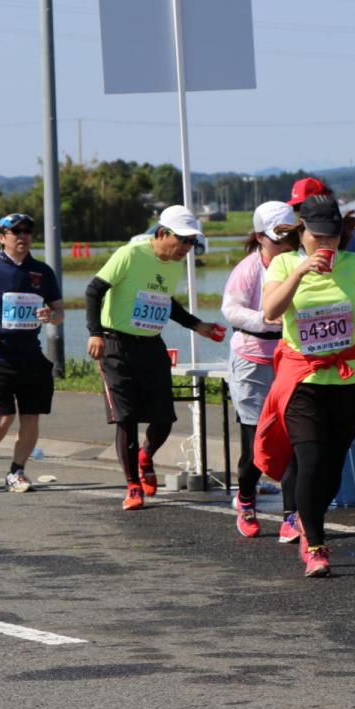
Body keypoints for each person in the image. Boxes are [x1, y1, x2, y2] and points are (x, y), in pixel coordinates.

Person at [255, 191, 355, 578]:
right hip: (303, 378)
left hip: (345, 377)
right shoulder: (282, 265)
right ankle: (314, 543)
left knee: (331, 466)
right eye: (317, 237)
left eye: (332, 237)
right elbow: (270, 312)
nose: (325, 244)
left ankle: (310, 516)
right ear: (302, 232)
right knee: (310, 460)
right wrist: (299, 272)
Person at [85, 205, 225, 510]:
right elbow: (94, 290)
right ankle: (133, 485)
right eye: (183, 240)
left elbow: (166, 303)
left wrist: (197, 325)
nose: (188, 248)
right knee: (127, 418)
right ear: (162, 233)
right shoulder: (131, 254)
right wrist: (94, 332)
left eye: (192, 243)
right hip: (114, 344)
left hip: (150, 344)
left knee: (163, 417)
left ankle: (145, 456)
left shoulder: (174, 263)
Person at [0, 213, 63, 493]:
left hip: (31, 355)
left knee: (31, 416)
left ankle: (17, 471)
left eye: (27, 231)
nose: (23, 236)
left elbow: (59, 311)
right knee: (4, 417)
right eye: (15, 231)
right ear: (1, 237)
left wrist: (50, 315)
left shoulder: (42, 271)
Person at [223, 201, 301, 539]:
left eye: (290, 237)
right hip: (252, 358)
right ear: (259, 237)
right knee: (257, 441)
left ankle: (291, 515)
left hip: (289, 357)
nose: (285, 245)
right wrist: (266, 319)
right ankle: (246, 499)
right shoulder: (248, 268)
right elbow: (230, 310)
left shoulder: (299, 264)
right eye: (277, 238)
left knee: (294, 438)